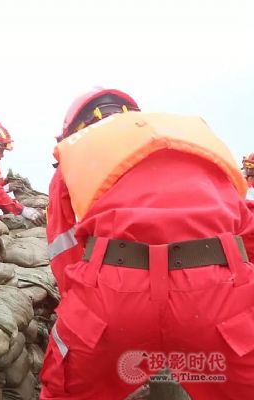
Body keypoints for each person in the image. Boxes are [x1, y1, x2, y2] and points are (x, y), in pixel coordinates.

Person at [40, 87, 254, 399]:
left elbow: (64, 247)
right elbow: (246, 231)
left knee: (66, 391)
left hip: (113, 295)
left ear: (77, 127)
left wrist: (81, 308)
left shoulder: (78, 154)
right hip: (217, 293)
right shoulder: (196, 145)